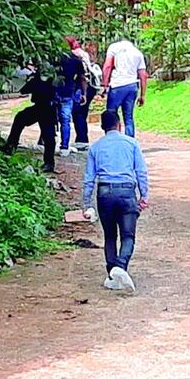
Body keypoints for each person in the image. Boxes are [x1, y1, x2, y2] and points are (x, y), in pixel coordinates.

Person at [82, 107, 149, 293]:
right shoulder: (132, 143)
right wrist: (144, 196)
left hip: (104, 193)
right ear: (119, 125)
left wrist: (86, 204)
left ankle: (113, 274)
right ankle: (121, 266)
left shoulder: (95, 147)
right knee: (128, 236)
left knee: (110, 236)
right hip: (127, 192)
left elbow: (89, 178)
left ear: (103, 127)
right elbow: (141, 172)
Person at [4, 61, 57, 173]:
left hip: (47, 107)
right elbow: (25, 89)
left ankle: (49, 163)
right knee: (21, 118)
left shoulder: (50, 81)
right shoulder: (43, 80)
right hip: (42, 107)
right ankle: (11, 145)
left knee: (48, 136)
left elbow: (25, 89)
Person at [101, 36, 148, 138]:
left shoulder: (113, 48)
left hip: (117, 85)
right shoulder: (137, 53)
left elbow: (107, 66)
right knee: (128, 117)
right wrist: (143, 95)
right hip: (132, 86)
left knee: (111, 115)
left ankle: (112, 140)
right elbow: (143, 75)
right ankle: (130, 142)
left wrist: (104, 84)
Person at [55, 37, 88, 157]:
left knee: (49, 118)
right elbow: (82, 78)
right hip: (68, 92)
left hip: (54, 92)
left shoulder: (54, 59)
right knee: (65, 120)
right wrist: (84, 93)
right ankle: (64, 146)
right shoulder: (76, 60)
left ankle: (44, 142)